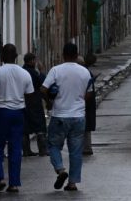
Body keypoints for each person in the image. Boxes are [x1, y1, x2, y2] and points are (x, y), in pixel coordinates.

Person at [41, 43, 93, 192]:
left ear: (63, 55)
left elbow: (43, 88)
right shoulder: (85, 72)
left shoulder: (56, 70)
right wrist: (79, 101)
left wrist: (49, 103)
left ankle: (60, 169)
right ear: (77, 55)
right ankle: (72, 183)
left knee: (53, 146)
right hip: (78, 117)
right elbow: (89, 94)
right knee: (76, 151)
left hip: (59, 116)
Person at [0, 43, 34, 193]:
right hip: (18, 113)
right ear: (16, 56)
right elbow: (30, 97)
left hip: (0, 113)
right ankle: (14, 183)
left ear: (2, 56)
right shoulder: (25, 74)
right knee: (15, 148)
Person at [22, 53, 47, 157]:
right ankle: (42, 150)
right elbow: (43, 83)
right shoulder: (33, 72)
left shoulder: (22, 71)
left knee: (25, 128)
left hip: (23, 102)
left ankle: (26, 150)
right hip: (35, 102)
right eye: (34, 60)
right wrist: (41, 71)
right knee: (40, 126)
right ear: (31, 61)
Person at [79, 54, 97, 156]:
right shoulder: (86, 72)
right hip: (86, 104)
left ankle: (85, 147)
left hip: (85, 103)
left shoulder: (84, 73)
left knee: (84, 127)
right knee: (85, 127)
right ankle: (86, 147)